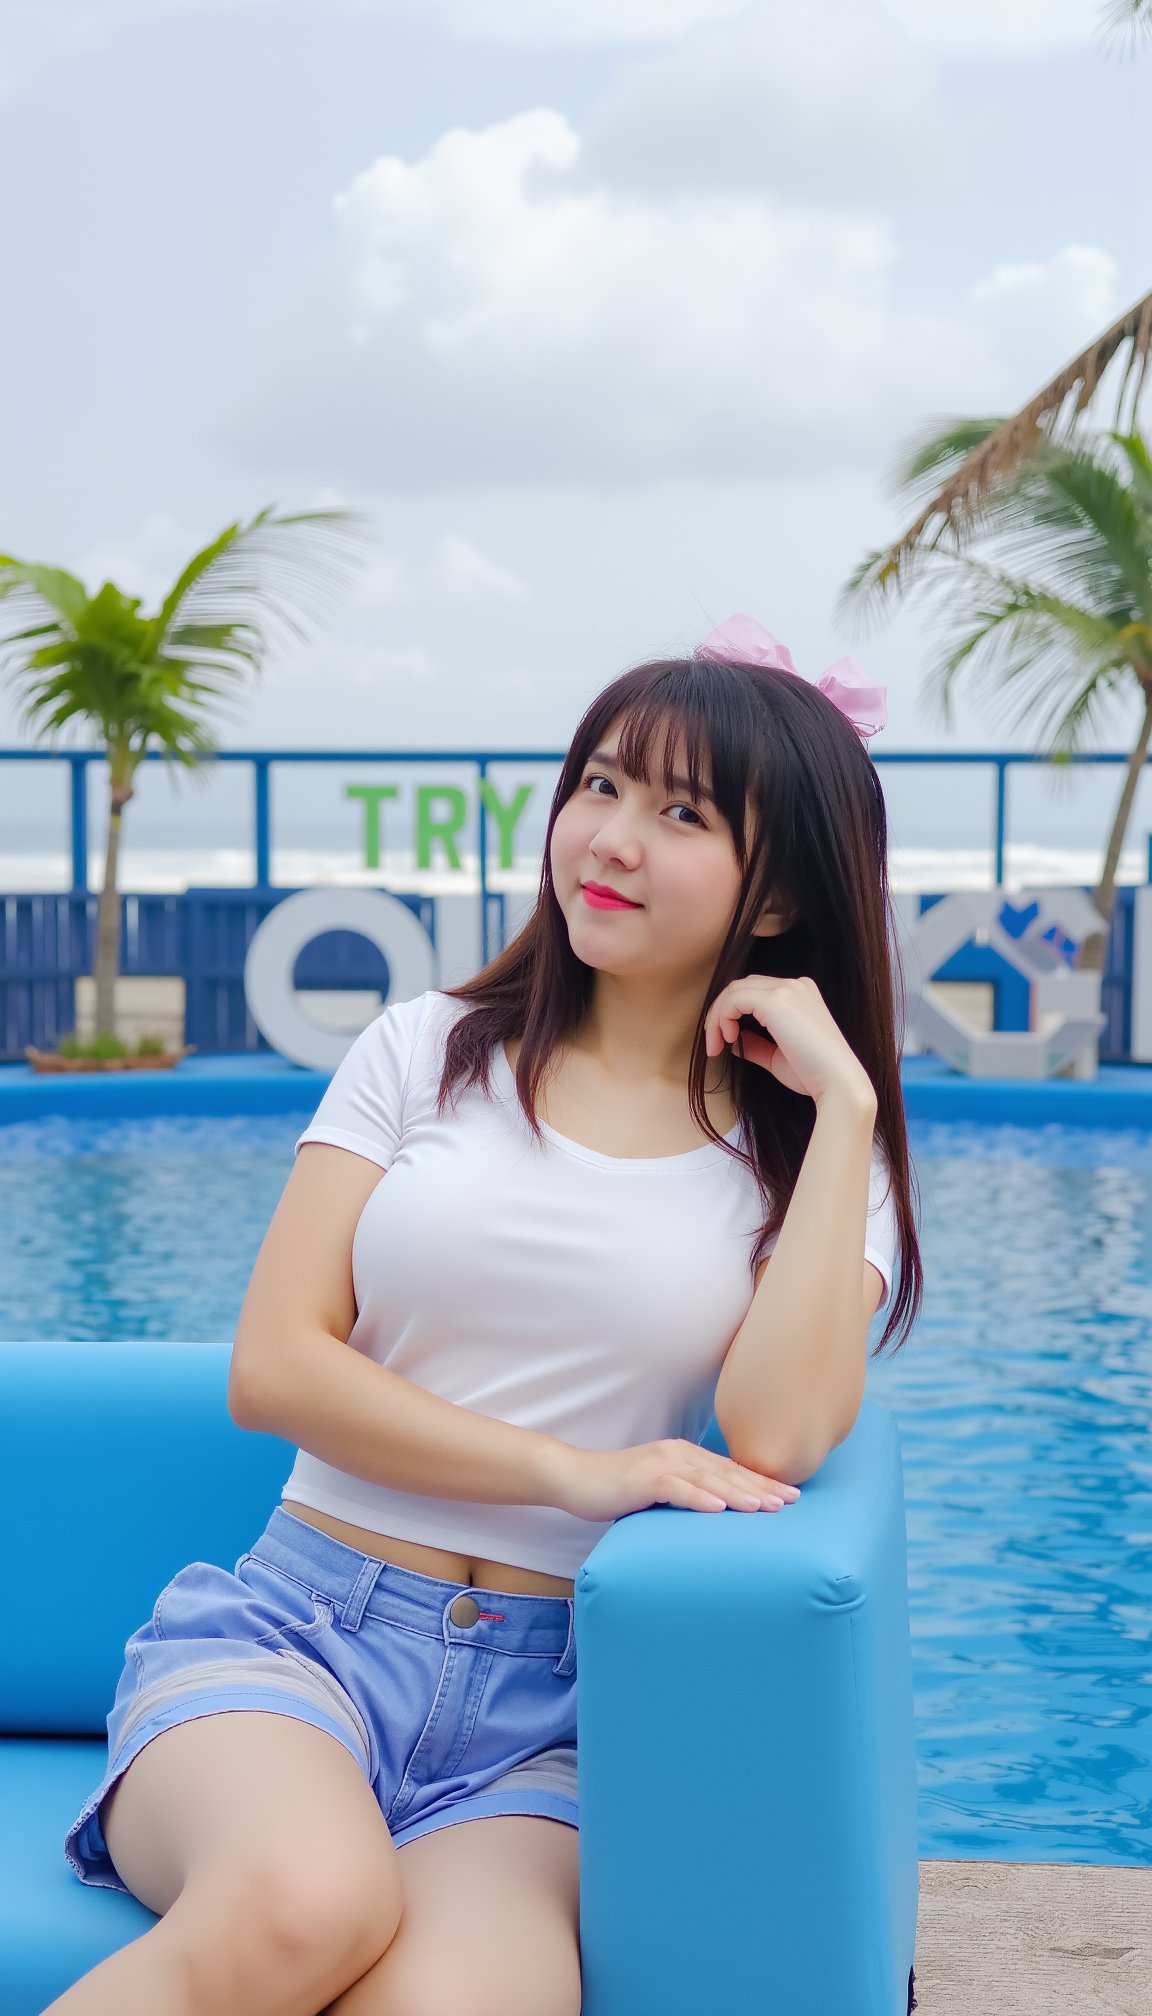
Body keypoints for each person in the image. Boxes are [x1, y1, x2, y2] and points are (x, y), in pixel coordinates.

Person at [53, 612, 923, 2016]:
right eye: (600, 786)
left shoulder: (823, 1162)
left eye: (680, 810)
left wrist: (848, 1110)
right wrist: (576, 1473)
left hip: (553, 1723)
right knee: (301, 1906)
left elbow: (778, 1430)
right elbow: (273, 1367)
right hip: (297, 1633)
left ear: (776, 900)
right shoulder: (424, 1049)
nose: (611, 839)